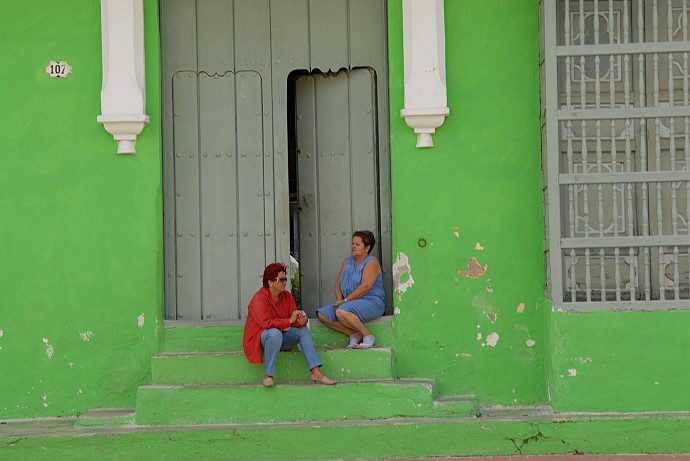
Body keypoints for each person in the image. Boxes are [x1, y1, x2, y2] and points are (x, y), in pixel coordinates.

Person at [243, 262, 336, 387]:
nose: (284, 282)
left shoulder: (287, 296)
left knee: (302, 331)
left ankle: (316, 372)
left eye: (285, 279)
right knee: (274, 333)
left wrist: (301, 321)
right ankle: (268, 375)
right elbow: (266, 323)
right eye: (281, 279)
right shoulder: (259, 299)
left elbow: (294, 319)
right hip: (261, 341)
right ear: (270, 282)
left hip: (280, 338)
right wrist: (289, 321)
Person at [316, 230, 385, 349]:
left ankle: (367, 336)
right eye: (353, 243)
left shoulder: (371, 262)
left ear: (367, 248)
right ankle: (353, 334)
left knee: (341, 312)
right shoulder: (348, 262)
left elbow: (366, 286)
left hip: (371, 302)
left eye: (358, 244)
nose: (353, 246)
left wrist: (345, 301)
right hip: (348, 303)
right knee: (323, 315)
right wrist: (339, 300)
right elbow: (337, 285)